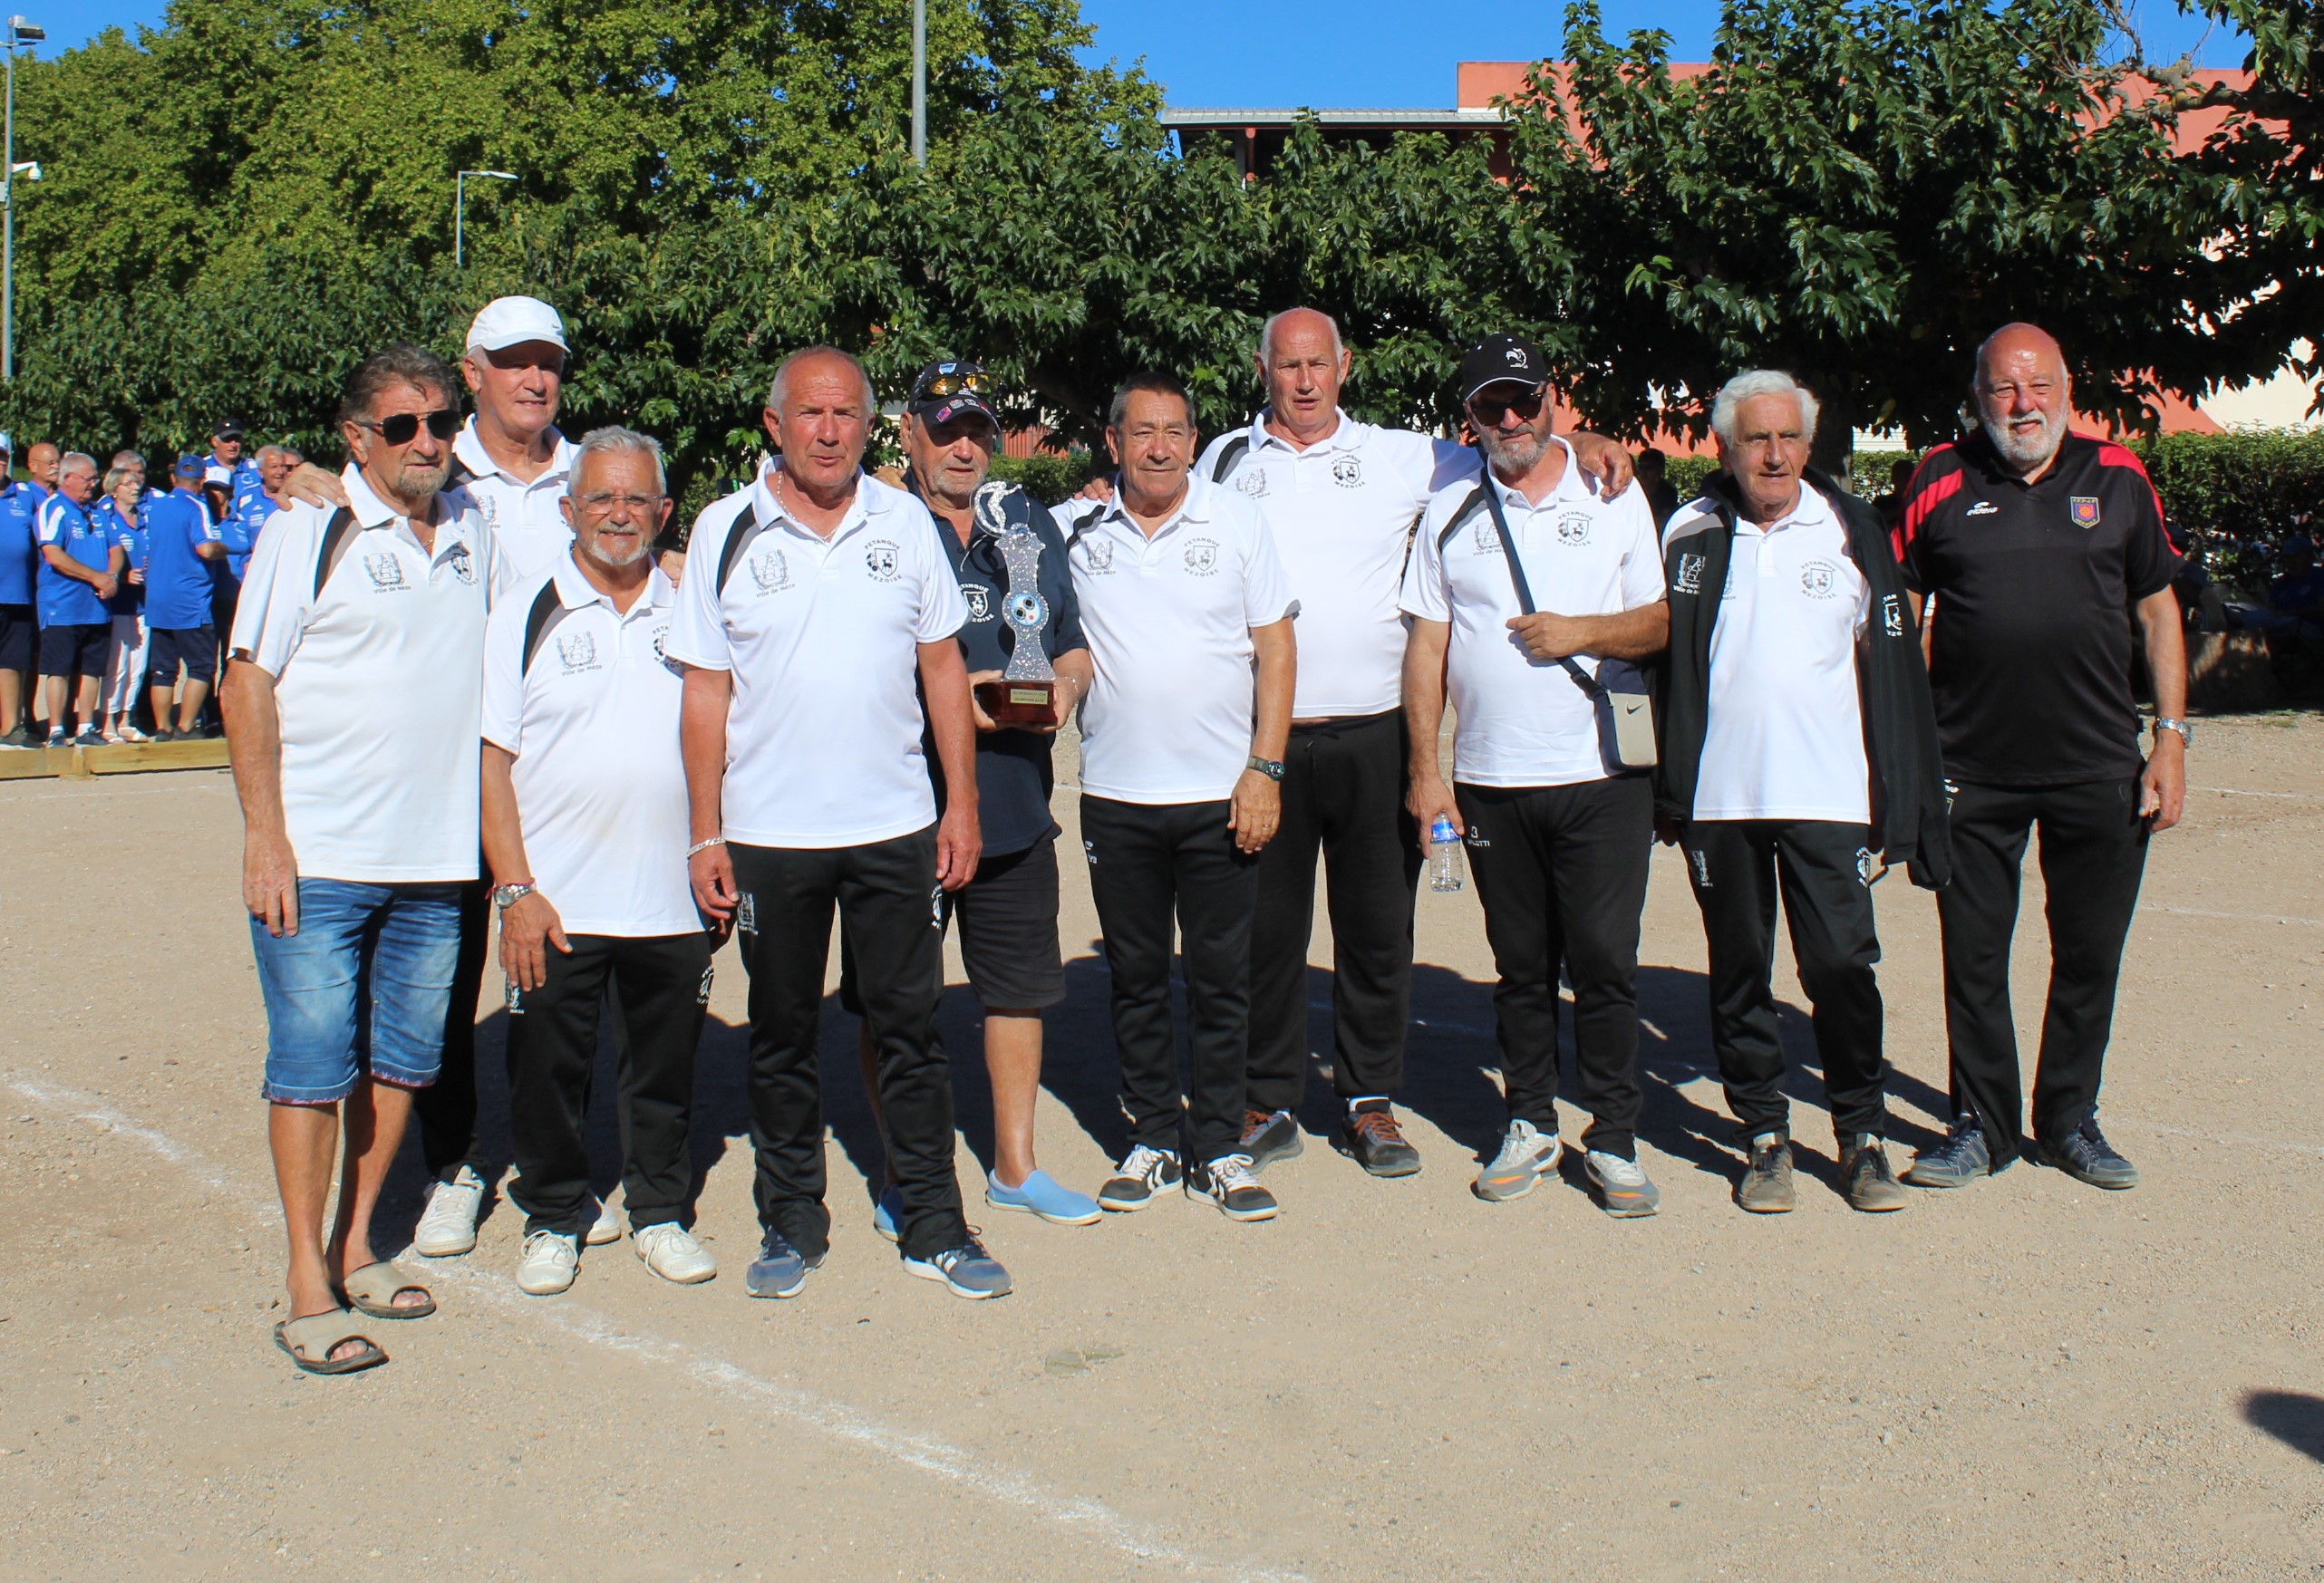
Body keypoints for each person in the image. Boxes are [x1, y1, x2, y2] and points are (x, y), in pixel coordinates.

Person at [1193, 308, 1636, 1181]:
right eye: (1289, 367)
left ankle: (1369, 1100)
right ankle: (1269, 1097)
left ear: (1345, 365)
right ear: (1263, 369)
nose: (1306, 381)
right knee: (1269, 932)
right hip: (1265, 737)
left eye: (1319, 363)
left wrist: (1585, 436)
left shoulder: (1411, 456)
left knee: (1376, 929)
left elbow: (1515, 439)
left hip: (1375, 730)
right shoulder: (1223, 460)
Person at [671, 344, 1011, 1301]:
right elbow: (705, 690)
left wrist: (962, 805)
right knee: (778, 1035)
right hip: (769, 837)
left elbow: (942, 667)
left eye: (846, 416)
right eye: (810, 415)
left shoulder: (902, 523)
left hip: (894, 829)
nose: (828, 432)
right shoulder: (723, 530)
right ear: (775, 424)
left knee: (910, 1030)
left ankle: (934, 1224)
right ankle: (792, 1219)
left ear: (871, 428)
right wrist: (706, 830)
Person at [224, 343, 501, 1374]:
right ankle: (305, 1278)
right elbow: (246, 681)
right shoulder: (310, 528)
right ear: (356, 439)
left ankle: (358, 1243)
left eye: (437, 423)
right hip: (322, 855)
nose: (425, 441)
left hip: (436, 861)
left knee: (400, 1065)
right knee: (309, 1068)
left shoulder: (474, 524)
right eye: (401, 427)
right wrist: (265, 833)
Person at [1893, 322, 2186, 1192]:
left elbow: (2159, 610)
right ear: (1976, 397)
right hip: (1969, 768)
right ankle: (1978, 1124)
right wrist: (1904, 743)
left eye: (2038, 387)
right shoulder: (1938, 478)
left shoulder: (2120, 476)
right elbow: (1900, 612)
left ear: (2067, 388)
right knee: (1974, 956)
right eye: (2002, 389)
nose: (2022, 405)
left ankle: (2068, 1118)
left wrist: (2169, 740)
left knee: (2090, 952)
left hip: (2099, 764)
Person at [1656, 371, 1950, 1213]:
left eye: (1787, 438)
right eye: (1756, 438)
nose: (1773, 454)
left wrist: (1905, 794)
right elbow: (1659, 651)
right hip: (1721, 797)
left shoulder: (1855, 532)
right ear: (1726, 447)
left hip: (1830, 797)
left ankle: (1861, 1136)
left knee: (1839, 967)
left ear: (1808, 447)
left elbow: (1894, 671)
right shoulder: (1692, 529)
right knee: (1740, 972)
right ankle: (1764, 1135)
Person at [1399, 333, 1670, 1217]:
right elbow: (1426, 644)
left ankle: (1616, 1137)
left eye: (1522, 399)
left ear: (1553, 397)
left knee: (1602, 962)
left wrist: (1578, 634)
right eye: (1489, 405)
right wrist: (1425, 772)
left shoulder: (1610, 488)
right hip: (1488, 779)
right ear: (1466, 417)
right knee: (1518, 965)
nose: (1509, 419)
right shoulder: (1447, 505)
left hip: (1600, 773)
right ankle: (1528, 1120)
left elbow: (1661, 621)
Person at [845, 360, 1102, 1232]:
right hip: (902, 808)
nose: (964, 446)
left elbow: (1070, 645)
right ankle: (902, 1171)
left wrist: (1062, 692)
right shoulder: (873, 521)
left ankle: (1016, 1166)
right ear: (909, 432)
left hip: (1016, 804)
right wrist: (965, 695)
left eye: (977, 430)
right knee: (896, 998)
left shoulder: (1025, 520)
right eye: (945, 428)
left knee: (1016, 989)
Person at [482, 426, 720, 1297]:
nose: (618, 516)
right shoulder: (523, 613)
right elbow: (492, 762)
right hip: (558, 902)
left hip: (669, 896)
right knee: (548, 1073)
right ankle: (554, 1215)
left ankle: (659, 1211)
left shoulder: (692, 607)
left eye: (636, 500)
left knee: (663, 1072)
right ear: (568, 508)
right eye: (600, 498)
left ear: (663, 511)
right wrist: (516, 890)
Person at [1061, 371, 1296, 1222]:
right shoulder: (1072, 529)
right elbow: (976, 537)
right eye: (1140, 431)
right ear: (1114, 442)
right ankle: (1156, 1135)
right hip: (1117, 798)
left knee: (1222, 977)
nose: (1158, 446)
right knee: (1134, 976)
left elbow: (1276, 648)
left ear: (1195, 442)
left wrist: (1264, 768)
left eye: (1174, 431)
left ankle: (1223, 1146)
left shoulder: (1236, 519)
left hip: (1220, 796)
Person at [448, 296, 579, 578]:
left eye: (549, 366)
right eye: (517, 365)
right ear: (473, 373)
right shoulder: (437, 472)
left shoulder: (592, 470)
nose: (537, 384)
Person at [35, 453, 121, 747]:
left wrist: (110, 577)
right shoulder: (54, 508)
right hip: (63, 605)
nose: (93, 484)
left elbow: (116, 548)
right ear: (68, 478)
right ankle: (56, 729)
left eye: (95, 478)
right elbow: (53, 555)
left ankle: (86, 727)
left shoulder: (98, 512)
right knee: (59, 670)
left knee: (92, 669)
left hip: (96, 607)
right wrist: (95, 578)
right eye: (89, 479)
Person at [143, 456, 228, 741]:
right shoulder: (197, 507)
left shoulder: (157, 507)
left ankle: (163, 727)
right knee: (202, 665)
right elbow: (205, 549)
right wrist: (224, 549)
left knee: (163, 669)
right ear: (202, 480)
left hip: (157, 598)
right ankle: (186, 726)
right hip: (189, 600)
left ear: (173, 478)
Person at [98, 466, 151, 742]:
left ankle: (126, 719)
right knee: (117, 665)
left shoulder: (145, 519)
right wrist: (122, 575)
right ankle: (107, 720)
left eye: (137, 483)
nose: (135, 487)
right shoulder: (106, 518)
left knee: (137, 665)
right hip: (120, 603)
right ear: (113, 489)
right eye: (128, 483)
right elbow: (101, 556)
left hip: (144, 603)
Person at [0, 435, 40, 746]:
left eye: (2, 456)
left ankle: (11, 727)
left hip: (18, 595)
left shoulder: (25, 495)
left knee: (13, 663)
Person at [207, 417, 263, 507]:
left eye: (237, 439)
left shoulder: (254, 467)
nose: (233, 445)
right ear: (214, 442)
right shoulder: (203, 467)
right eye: (227, 439)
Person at [1634, 446, 1680, 530]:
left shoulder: (1668, 493)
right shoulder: (1633, 489)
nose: (1643, 473)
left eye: (1649, 468)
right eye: (1641, 468)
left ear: (1660, 470)